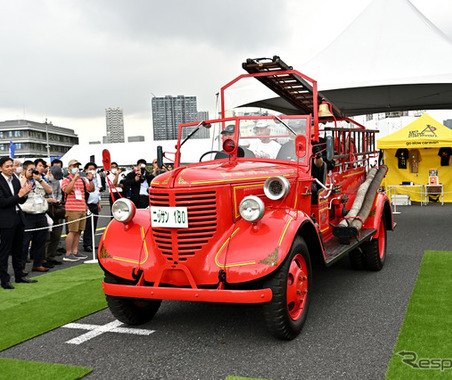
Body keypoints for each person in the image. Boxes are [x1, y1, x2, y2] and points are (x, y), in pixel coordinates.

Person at [0, 156, 34, 289]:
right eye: (7, 166)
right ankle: (5, 279)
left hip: (18, 217)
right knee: (4, 251)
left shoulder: (15, 179)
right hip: (5, 220)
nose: (10, 168)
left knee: (18, 250)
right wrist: (19, 195)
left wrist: (24, 194)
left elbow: (19, 200)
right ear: (1, 168)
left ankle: (19, 275)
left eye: (11, 165)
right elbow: (2, 202)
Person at [20, 160, 54, 272]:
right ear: (24, 170)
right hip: (27, 215)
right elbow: (20, 190)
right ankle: (21, 267)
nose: (33, 172)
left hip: (41, 214)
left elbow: (49, 190)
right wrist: (26, 177)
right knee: (24, 243)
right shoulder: (21, 180)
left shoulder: (39, 180)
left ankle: (37, 264)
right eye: (30, 169)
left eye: (34, 169)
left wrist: (40, 179)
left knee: (40, 241)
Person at [61, 159, 94, 262]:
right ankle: (68, 253)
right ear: (69, 167)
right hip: (72, 208)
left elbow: (91, 189)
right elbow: (66, 190)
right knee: (72, 231)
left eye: (77, 166)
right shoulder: (66, 179)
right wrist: (74, 179)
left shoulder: (82, 180)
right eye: (74, 166)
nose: (76, 168)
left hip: (81, 208)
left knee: (79, 231)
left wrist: (91, 180)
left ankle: (75, 251)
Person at [44, 164, 65, 266]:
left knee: (56, 235)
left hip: (56, 209)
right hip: (45, 210)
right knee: (47, 237)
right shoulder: (42, 181)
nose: (56, 179)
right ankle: (43, 259)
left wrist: (58, 201)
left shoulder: (57, 182)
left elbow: (59, 193)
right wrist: (48, 200)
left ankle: (51, 256)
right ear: (49, 173)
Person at [82, 162, 102, 252]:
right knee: (88, 225)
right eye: (90, 169)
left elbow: (97, 191)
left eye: (94, 169)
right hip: (88, 204)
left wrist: (98, 202)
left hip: (94, 204)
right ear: (86, 170)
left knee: (94, 225)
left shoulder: (95, 179)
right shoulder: (84, 179)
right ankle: (87, 244)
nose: (92, 170)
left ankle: (91, 243)